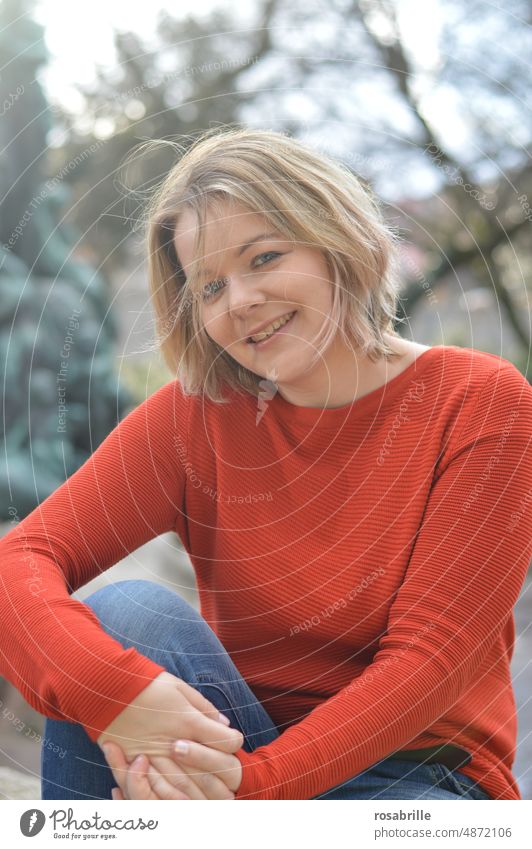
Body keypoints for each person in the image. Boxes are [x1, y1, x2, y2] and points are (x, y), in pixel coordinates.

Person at [0, 126, 531, 801]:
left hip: (417, 777)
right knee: (125, 612)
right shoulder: (197, 417)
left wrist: (246, 801)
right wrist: (117, 697)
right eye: (210, 286)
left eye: (265, 257)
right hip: (232, 746)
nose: (240, 300)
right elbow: (19, 563)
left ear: (338, 241)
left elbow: (433, 660)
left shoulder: (480, 399)